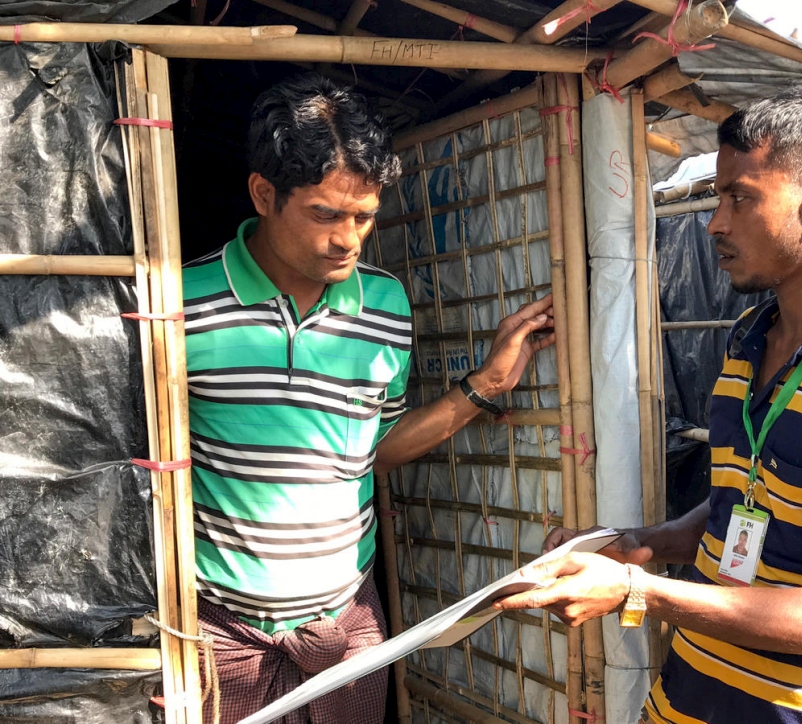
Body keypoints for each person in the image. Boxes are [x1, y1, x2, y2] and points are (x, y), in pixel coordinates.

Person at [495, 84, 802, 723]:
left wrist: (635, 592)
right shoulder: (751, 337)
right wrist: (631, 545)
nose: (716, 220)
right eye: (719, 195)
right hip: (692, 694)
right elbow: (737, 508)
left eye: (740, 197)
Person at [181, 72, 554, 724]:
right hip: (216, 632)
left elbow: (372, 451)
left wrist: (487, 385)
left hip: (345, 624)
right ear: (264, 194)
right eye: (325, 214)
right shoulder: (181, 305)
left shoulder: (383, 304)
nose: (348, 239)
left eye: (364, 217)